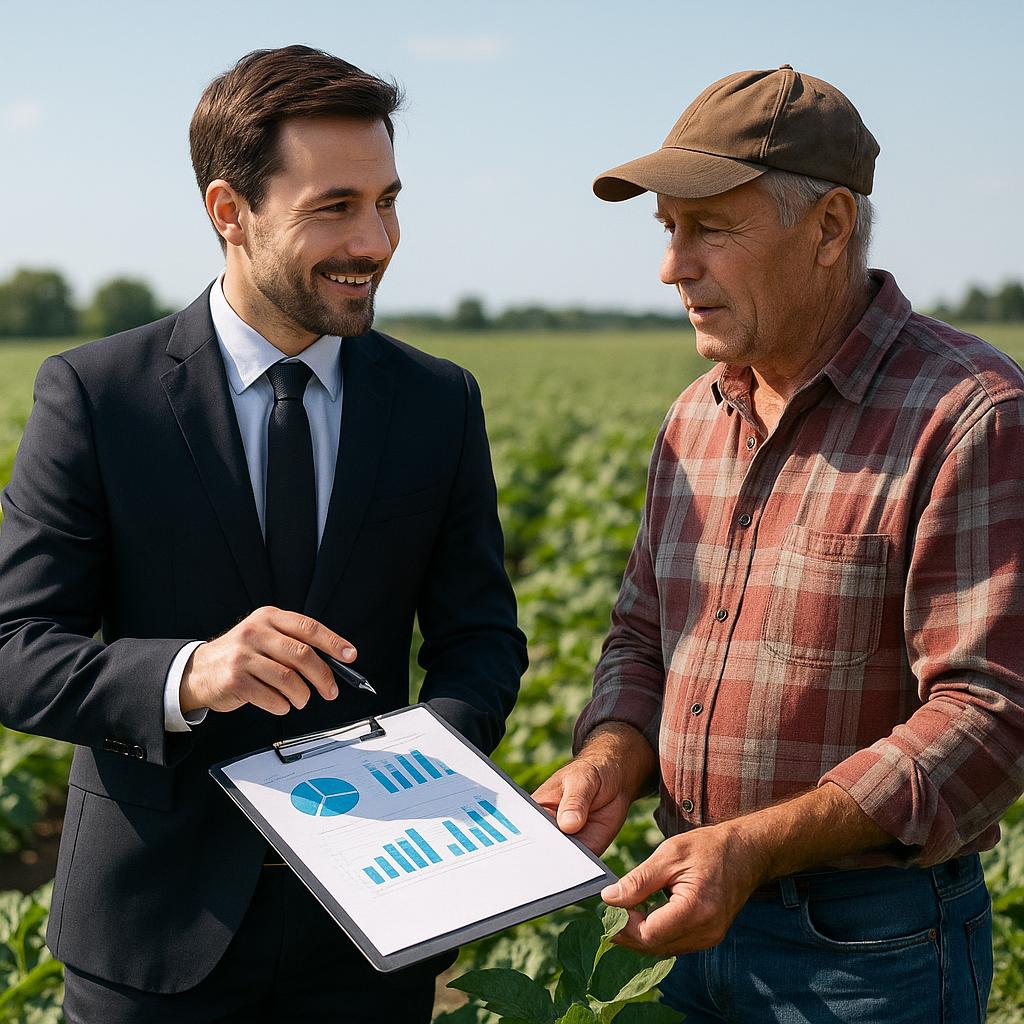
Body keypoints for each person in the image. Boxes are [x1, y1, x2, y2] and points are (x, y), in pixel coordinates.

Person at [0, 44, 527, 1023]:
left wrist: (418, 772)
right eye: (334, 206)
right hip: (153, 939)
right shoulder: (97, 396)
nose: (375, 239)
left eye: (388, 200)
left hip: (373, 939)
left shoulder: (437, 402)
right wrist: (187, 675)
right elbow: (14, 649)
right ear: (228, 213)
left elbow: (480, 640)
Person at [535, 64, 1024, 1022]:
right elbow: (643, 634)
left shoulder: (966, 414)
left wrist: (756, 844)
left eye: (711, 228)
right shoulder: (696, 415)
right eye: (669, 230)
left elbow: (988, 716)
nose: (674, 266)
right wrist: (613, 756)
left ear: (831, 228)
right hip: (681, 907)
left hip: (866, 950)